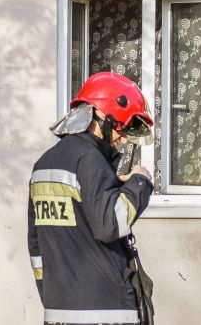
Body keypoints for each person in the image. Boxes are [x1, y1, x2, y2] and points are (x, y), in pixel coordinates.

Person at [28, 72, 154, 325]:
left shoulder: (43, 164)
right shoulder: (90, 159)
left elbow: (36, 245)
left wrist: (54, 296)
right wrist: (140, 183)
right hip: (106, 310)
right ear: (102, 118)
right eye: (121, 126)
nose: (125, 137)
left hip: (58, 310)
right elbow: (111, 225)